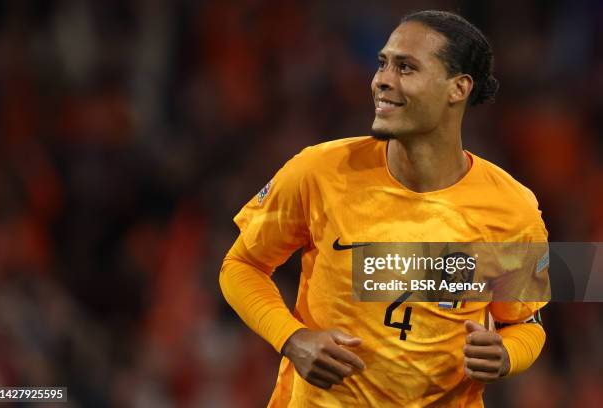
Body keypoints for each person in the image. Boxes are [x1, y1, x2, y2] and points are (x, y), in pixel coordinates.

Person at [220, 10, 548, 407]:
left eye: (406, 68)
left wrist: (506, 356)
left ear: (458, 88)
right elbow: (241, 266)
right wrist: (291, 337)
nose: (382, 80)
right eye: (383, 63)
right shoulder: (319, 172)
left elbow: (526, 324)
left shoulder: (513, 208)